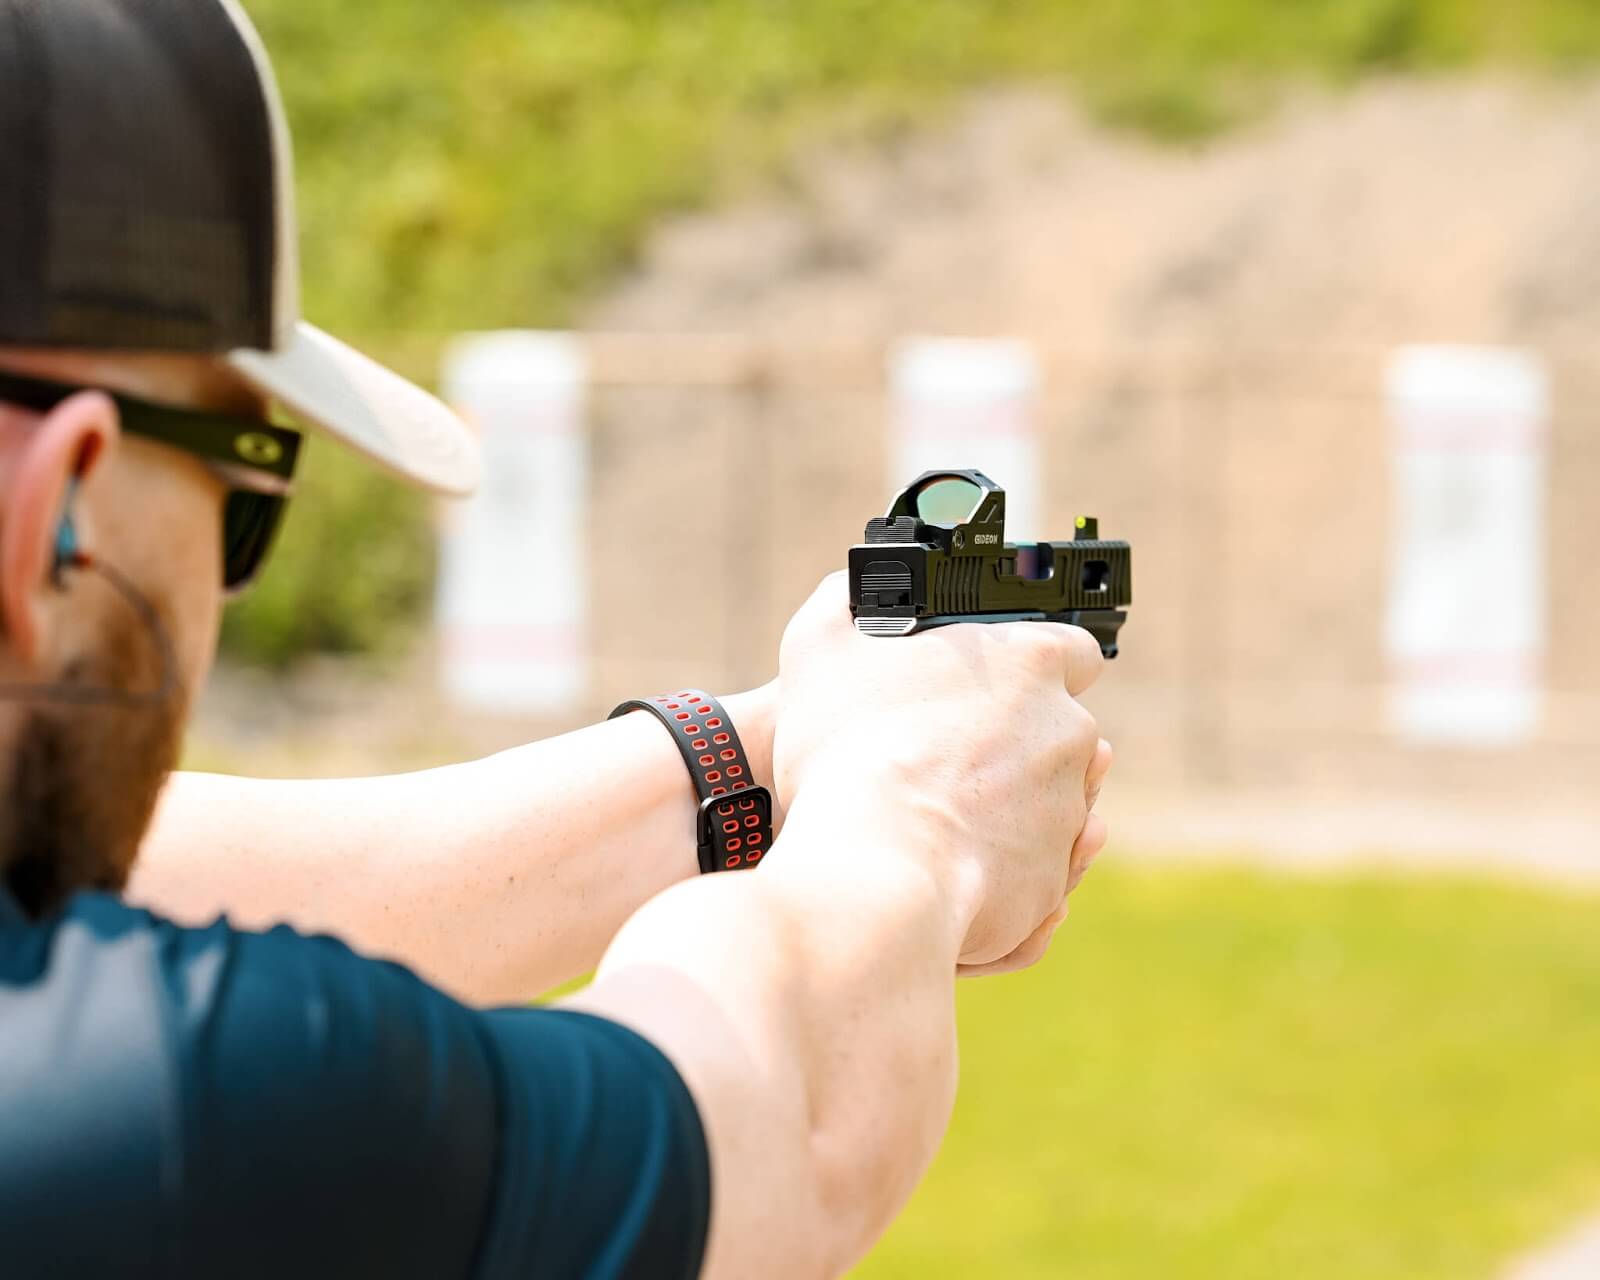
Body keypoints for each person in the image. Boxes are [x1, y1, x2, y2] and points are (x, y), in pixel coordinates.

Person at [0, 1, 1114, 1276]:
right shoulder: (175, 1104)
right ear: (59, 505)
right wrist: (915, 812)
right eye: (239, 507)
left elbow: (178, 879)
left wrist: (766, 752)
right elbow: (784, 1130)